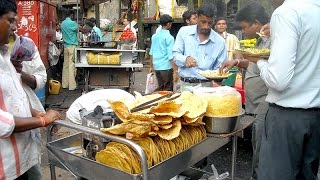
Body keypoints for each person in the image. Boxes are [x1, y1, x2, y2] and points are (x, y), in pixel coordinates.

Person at [256, 0, 320, 179]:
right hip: (315, 117)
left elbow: (278, 80)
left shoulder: (287, 12)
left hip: (287, 117)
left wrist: (259, 63)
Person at [0, 1, 62, 179]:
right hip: (6, 164)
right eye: (10, 21)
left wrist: (35, 112)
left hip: (22, 156)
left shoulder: (9, 53)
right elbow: (3, 122)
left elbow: (15, 94)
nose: (14, 27)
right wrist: (42, 121)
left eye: (16, 21)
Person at [219, 2, 270, 180]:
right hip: (257, 106)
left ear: (256, 23)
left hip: (267, 103)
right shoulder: (260, 39)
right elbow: (257, 64)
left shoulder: (273, 38)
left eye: (244, 27)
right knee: (258, 146)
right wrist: (238, 62)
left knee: (263, 151)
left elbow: (269, 67)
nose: (244, 31)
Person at [173, 3, 227, 91]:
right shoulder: (184, 32)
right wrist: (185, 59)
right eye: (203, 22)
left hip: (206, 87)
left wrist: (220, 75)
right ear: (197, 18)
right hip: (184, 84)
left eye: (210, 23)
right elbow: (175, 54)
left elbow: (220, 69)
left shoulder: (220, 42)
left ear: (214, 21)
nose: (206, 26)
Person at [149, 14, 176, 91]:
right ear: (168, 24)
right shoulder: (169, 38)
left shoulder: (154, 36)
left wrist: (151, 66)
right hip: (166, 67)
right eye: (171, 23)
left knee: (160, 88)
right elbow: (170, 56)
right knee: (167, 90)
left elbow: (151, 53)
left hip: (157, 66)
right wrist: (175, 70)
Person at [61, 10, 78, 91]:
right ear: (71, 15)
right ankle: (72, 86)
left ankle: (65, 84)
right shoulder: (73, 23)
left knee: (66, 66)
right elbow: (78, 30)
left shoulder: (62, 23)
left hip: (65, 46)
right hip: (72, 46)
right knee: (72, 66)